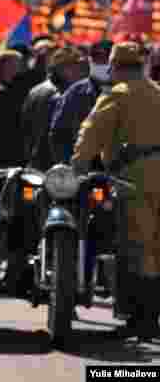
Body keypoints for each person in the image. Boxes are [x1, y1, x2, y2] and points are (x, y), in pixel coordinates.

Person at [70, 42, 160, 339]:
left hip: (134, 180)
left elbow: (92, 130)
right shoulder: (157, 91)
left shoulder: (116, 95)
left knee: (139, 246)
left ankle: (142, 320)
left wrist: (78, 166)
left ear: (115, 67)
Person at [21, 47, 87, 171]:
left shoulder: (35, 90)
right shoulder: (64, 95)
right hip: (55, 171)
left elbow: (25, 128)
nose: (83, 72)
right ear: (65, 69)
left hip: (35, 164)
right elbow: (61, 135)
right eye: (79, 66)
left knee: (28, 191)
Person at [50, 39, 114, 165]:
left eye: (107, 58)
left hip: (121, 172)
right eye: (97, 57)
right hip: (84, 172)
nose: (103, 63)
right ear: (89, 60)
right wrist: (68, 165)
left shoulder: (131, 91)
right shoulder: (75, 93)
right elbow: (59, 133)